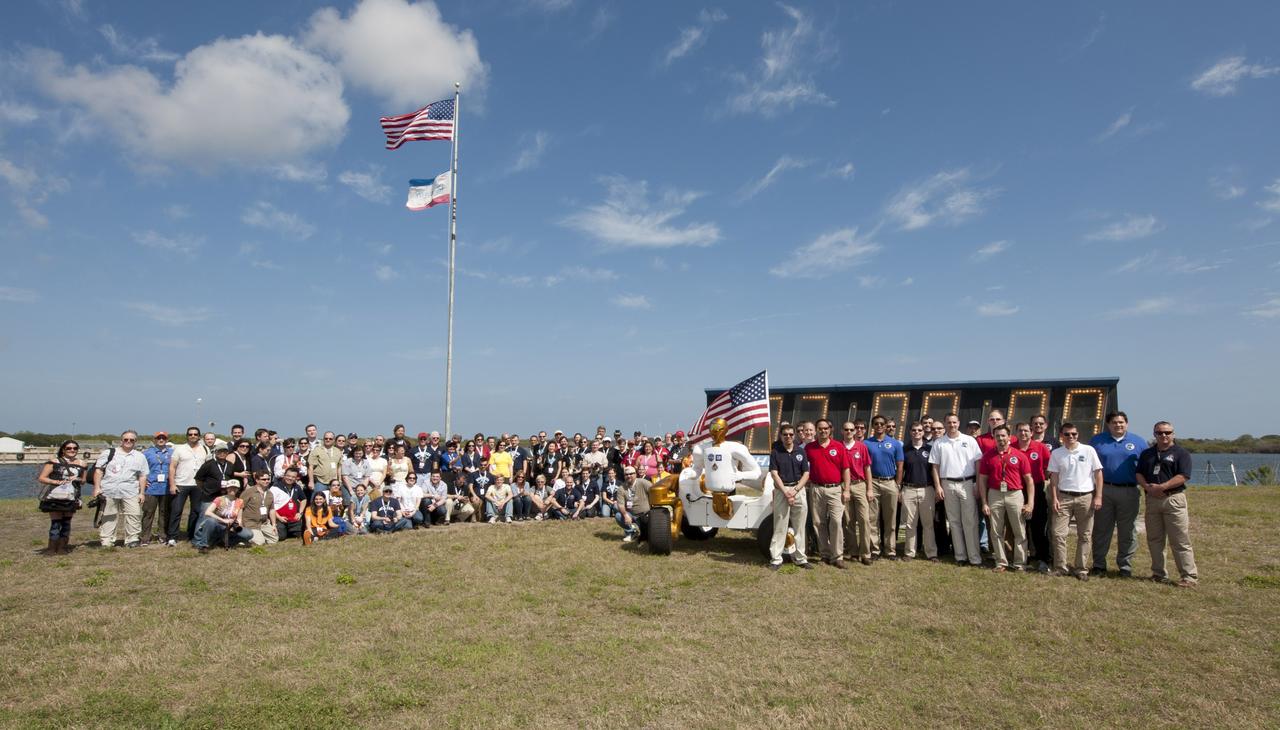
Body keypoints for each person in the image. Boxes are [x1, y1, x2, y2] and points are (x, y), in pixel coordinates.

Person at [1137, 421, 1199, 587]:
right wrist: (1147, 487)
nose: (1163, 435)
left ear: (1173, 433)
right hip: (1152, 500)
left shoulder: (1181, 453)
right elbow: (1139, 473)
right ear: (1154, 434)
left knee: (1179, 539)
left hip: (1173, 499)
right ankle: (1158, 573)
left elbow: (1184, 476)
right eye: (1159, 433)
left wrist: (1163, 487)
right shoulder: (1147, 454)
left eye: (1167, 432)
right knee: (1155, 539)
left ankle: (1189, 576)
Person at [1089, 411, 1148, 578]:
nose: (1118, 425)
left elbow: (1146, 467)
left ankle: (1125, 566)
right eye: (1114, 422)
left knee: (1127, 530)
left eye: (1121, 422)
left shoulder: (1138, 442)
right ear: (1108, 424)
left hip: (1129, 491)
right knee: (1101, 529)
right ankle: (1099, 564)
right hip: (1104, 490)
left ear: (1127, 423)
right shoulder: (1097, 441)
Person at [1046, 423, 1103, 580]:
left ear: (1078, 434)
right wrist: (1055, 498)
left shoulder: (1088, 450)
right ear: (1061, 436)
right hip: (1064, 497)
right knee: (1058, 533)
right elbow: (1054, 478)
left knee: (1084, 534)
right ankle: (1061, 566)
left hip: (1085, 497)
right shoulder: (1057, 453)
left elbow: (1098, 474)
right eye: (1067, 434)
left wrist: (1098, 496)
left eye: (1074, 434)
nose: (1071, 437)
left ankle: (1081, 568)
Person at [977, 425, 1033, 573]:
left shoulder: (1019, 455)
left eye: (1003, 436)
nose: (1001, 438)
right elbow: (982, 480)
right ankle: (1001, 562)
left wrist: (1030, 502)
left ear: (1009, 437)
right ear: (994, 438)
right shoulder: (988, 456)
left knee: (1019, 530)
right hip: (995, 494)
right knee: (996, 530)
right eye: (997, 436)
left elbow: (1029, 480)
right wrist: (984, 502)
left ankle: (1020, 563)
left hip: (1015, 494)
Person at [929, 414, 982, 567]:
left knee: (970, 521)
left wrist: (978, 483)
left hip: (967, 483)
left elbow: (978, 463)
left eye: (954, 422)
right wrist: (938, 486)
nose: (951, 425)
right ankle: (960, 556)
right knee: (954, 521)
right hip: (947, 484)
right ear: (945, 424)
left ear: (958, 423)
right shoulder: (939, 443)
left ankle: (974, 557)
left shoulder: (970, 440)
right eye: (949, 422)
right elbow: (935, 467)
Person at [804, 419, 850, 569]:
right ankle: (824, 554)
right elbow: (803, 468)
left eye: (826, 428)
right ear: (816, 430)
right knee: (819, 523)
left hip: (835, 489)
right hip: (816, 489)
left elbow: (846, 470)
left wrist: (847, 489)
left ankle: (837, 556)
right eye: (820, 428)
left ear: (830, 430)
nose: (823, 431)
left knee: (836, 522)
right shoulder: (809, 448)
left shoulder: (838, 447)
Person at [92, 430, 149, 548]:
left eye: (131, 440)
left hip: (130, 490)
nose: (128, 442)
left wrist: (142, 493)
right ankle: (107, 540)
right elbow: (98, 470)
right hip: (109, 489)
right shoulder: (109, 453)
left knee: (134, 514)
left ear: (135, 442)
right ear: (121, 440)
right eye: (126, 439)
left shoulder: (140, 457)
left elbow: (143, 476)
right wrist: (97, 487)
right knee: (109, 515)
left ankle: (132, 539)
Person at [768, 425, 812, 570]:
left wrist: (796, 490)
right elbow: (774, 473)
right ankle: (776, 558)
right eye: (785, 434)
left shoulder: (801, 451)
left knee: (800, 527)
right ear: (781, 436)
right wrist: (785, 491)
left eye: (791, 434)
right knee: (780, 526)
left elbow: (806, 473)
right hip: (782, 490)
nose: (788, 437)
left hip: (798, 489)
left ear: (794, 436)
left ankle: (800, 558)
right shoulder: (775, 452)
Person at [865, 415, 904, 560]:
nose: (879, 426)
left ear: (886, 425)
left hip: (890, 482)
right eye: (876, 424)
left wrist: (898, 484)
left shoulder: (895, 444)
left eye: (882, 424)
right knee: (872, 518)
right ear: (873, 426)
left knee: (890, 519)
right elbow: (865, 465)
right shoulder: (866, 443)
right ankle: (875, 549)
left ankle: (890, 550)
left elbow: (900, 466)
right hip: (873, 482)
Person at [36, 440, 85, 555]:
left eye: (75, 448)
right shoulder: (53, 462)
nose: (72, 450)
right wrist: (55, 481)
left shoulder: (82, 463)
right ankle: (52, 548)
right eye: (69, 448)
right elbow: (42, 478)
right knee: (56, 523)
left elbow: (83, 481)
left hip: (71, 496)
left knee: (66, 522)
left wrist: (77, 479)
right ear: (63, 449)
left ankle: (63, 547)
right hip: (55, 495)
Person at [1015, 421, 1053, 571]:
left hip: (1037, 489)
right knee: (1020, 526)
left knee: (1038, 525)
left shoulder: (1041, 448)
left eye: (1026, 431)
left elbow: (1049, 468)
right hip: (1017, 490)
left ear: (1031, 433)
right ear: (1016, 433)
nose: (1023, 433)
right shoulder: (1012, 448)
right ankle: (1022, 557)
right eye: (1020, 431)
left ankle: (1043, 557)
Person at [899, 422, 939, 562]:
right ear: (910, 432)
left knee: (928, 523)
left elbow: (935, 470)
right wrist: (899, 489)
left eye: (919, 430)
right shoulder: (904, 449)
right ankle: (910, 553)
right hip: (908, 489)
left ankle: (931, 553)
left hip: (927, 489)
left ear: (923, 432)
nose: (917, 432)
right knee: (910, 524)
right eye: (914, 430)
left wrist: (937, 488)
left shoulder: (930, 448)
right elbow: (900, 471)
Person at [839, 420, 873, 565]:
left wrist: (869, 488)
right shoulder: (838, 447)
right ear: (842, 431)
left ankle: (865, 553)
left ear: (855, 432)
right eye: (846, 429)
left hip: (859, 485)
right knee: (848, 521)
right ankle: (853, 552)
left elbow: (867, 469)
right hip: (843, 486)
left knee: (864, 520)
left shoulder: (861, 447)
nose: (849, 432)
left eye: (851, 430)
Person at [167, 426, 207, 545]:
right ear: (187, 436)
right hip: (181, 484)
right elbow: (172, 467)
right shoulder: (179, 449)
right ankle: (172, 536)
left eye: (195, 434)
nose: (193, 436)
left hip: (198, 485)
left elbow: (208, 466)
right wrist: (172, 484)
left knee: (196, 511)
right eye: (190, 434)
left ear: (199, 436)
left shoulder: (204, 449)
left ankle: (191, 535)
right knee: (176, 510)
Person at [191, 483, 251, 553]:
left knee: (249, 534)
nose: (233, 490)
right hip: (218, 524)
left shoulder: (240, 501)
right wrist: (223, 520)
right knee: (210, 521)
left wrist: (237, 526)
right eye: (230, 488)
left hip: (231, 526)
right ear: (227, 489)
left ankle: (225, 541)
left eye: (235, 488)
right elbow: (207, 512)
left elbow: (239, 518)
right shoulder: (219, 499)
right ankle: (204, 545)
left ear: (238, 489)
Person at [140, 432, 173, 546]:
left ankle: (162, 535)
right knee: (148, 513)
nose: (161, 439)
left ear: (167, 439)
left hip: (166, 488)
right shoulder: (147, 453)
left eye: (163, 438)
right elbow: (139, 469)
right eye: (158, 438)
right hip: (152, 488)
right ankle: (145, 537)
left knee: (164, 513)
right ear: (154, 439)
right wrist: (142, 482)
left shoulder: (172, 452)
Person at [240, 471, 279, 545]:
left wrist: (274, 525)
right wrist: (240, 523)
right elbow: (239, 507)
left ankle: (257, 535)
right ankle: (242, 537)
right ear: (257, 480)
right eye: (263, 479)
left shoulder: (270, 493)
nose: (266, 481)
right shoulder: (249, 491)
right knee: (260, 542)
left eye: (268, 479)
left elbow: (272, 509)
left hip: (263, 523)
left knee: (274, 540)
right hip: (250, 523)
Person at [616, 467, 652, 543]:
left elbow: (653, 490)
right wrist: (625, 515)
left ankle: (642, 530)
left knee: (648, 536)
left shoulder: (643, 482)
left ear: (635, 474)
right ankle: (632, 531)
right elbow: (620, 505)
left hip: (645, 514)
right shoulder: (621, 488)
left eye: (631, 474)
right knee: (618, 516)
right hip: (631, 514)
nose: (629, 476)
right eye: (626, 474)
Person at [269, 468, 306, 540]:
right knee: (281, 537)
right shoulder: (275, 488)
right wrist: (279, 517)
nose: (290, 478)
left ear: (296, 478)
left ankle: (288, 531)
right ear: (284, 475)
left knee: (299, 535)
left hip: (293, 519)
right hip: (279, 519)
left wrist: (300, 513)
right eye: (288, 476)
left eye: (293, 477)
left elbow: (304, 499)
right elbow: (270, 505)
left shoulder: (296, 487)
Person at [308, 432, 343, 496]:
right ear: (323, 439)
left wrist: (340, 480)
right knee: (317, 500)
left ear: (334, 440)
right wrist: (311, 481)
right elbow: (310, 467)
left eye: (330, 438)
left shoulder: (338, 451)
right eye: (326, 438)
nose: (328, 440)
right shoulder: (317, 450)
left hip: (334, 482)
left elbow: (339, 467)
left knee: (334, 502)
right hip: (320, 481)